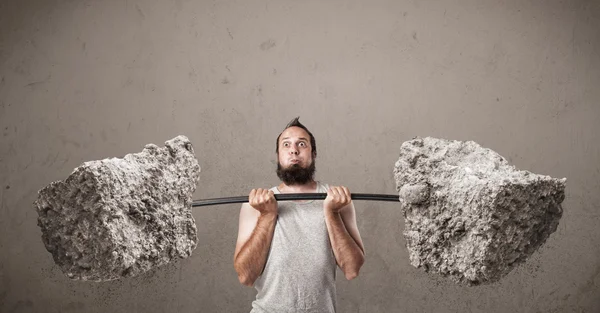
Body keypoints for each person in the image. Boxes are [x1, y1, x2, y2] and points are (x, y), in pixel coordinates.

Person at [233, 117, 366, 313]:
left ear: (313, 153)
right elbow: (246, 276)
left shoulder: (337, 201)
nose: (293, 150)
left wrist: (331, 213)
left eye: (301, 144)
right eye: (286, 145)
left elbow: (352, 269)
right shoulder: (256, 205)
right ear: (278, 155)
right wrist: (267, 216)